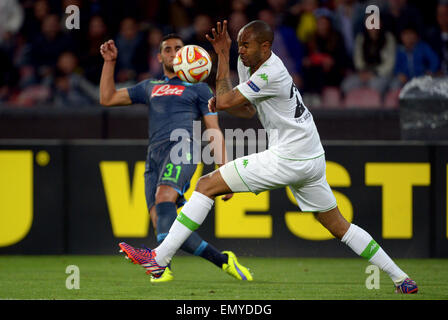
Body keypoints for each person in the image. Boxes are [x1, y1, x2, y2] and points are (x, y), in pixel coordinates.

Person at [119, 20, 418, 294]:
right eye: (238, 44)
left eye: (246, 45)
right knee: (339, 225)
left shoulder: (271, 71)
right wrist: (222, 97)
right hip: (311, 156)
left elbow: (226, 98)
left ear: (265, 46)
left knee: (206, 185)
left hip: (290, 156)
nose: (241, 50)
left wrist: (221, 58)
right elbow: (247, 109)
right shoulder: (248, 64)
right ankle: (401, 279)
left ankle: (159, 258)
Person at [99, 33, 253, 283]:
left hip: (183, 148)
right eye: (167, 49)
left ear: (185, 53)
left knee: (163, 198)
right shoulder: (149, 87)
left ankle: (158, 265)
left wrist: (224, 171)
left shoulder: (199, 88)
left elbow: (212, 128)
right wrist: (109, 62)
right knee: (164, 222)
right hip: (154, 157)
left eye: (178, 48)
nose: (173, 53)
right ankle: (220, 261)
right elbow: (107, 98)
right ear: (159, 56)